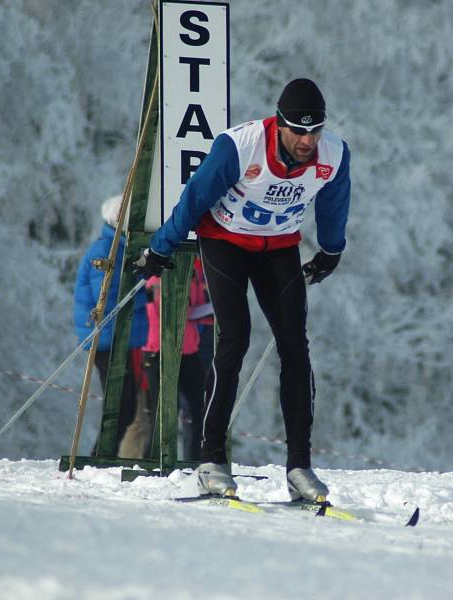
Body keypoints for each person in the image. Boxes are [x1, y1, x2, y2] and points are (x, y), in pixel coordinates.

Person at [134, 78, 351, 503]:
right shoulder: (241, 146)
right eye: (298, 130)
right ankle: (211, 459)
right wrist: (161, 248)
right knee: (235, 337)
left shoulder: (334, 155)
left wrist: (330, 251)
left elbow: (333, 203)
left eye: (315, 130)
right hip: (225, 241)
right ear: (279, 123)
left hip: (279, 247)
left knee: (295, 345)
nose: (308, 140)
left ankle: (300, 468)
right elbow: (195, 199)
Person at [74, 195, 149, 458]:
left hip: (118, 338)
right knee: (121, 406)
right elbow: (108, 297)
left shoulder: (121, 247)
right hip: (108, 338)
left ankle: (102, 456)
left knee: (124, 406)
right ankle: (99, 457)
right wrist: (145, 296)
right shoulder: (108, 249)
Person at [142, 258, 214, 461]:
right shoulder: (158, 275)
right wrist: (205, 310)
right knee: (163, 413)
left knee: (198, 410)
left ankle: (194, 461)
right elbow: (163, 310)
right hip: (160, 349)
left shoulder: (194, 274)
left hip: (189, 349)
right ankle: (153, 461)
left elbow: (196, 306)